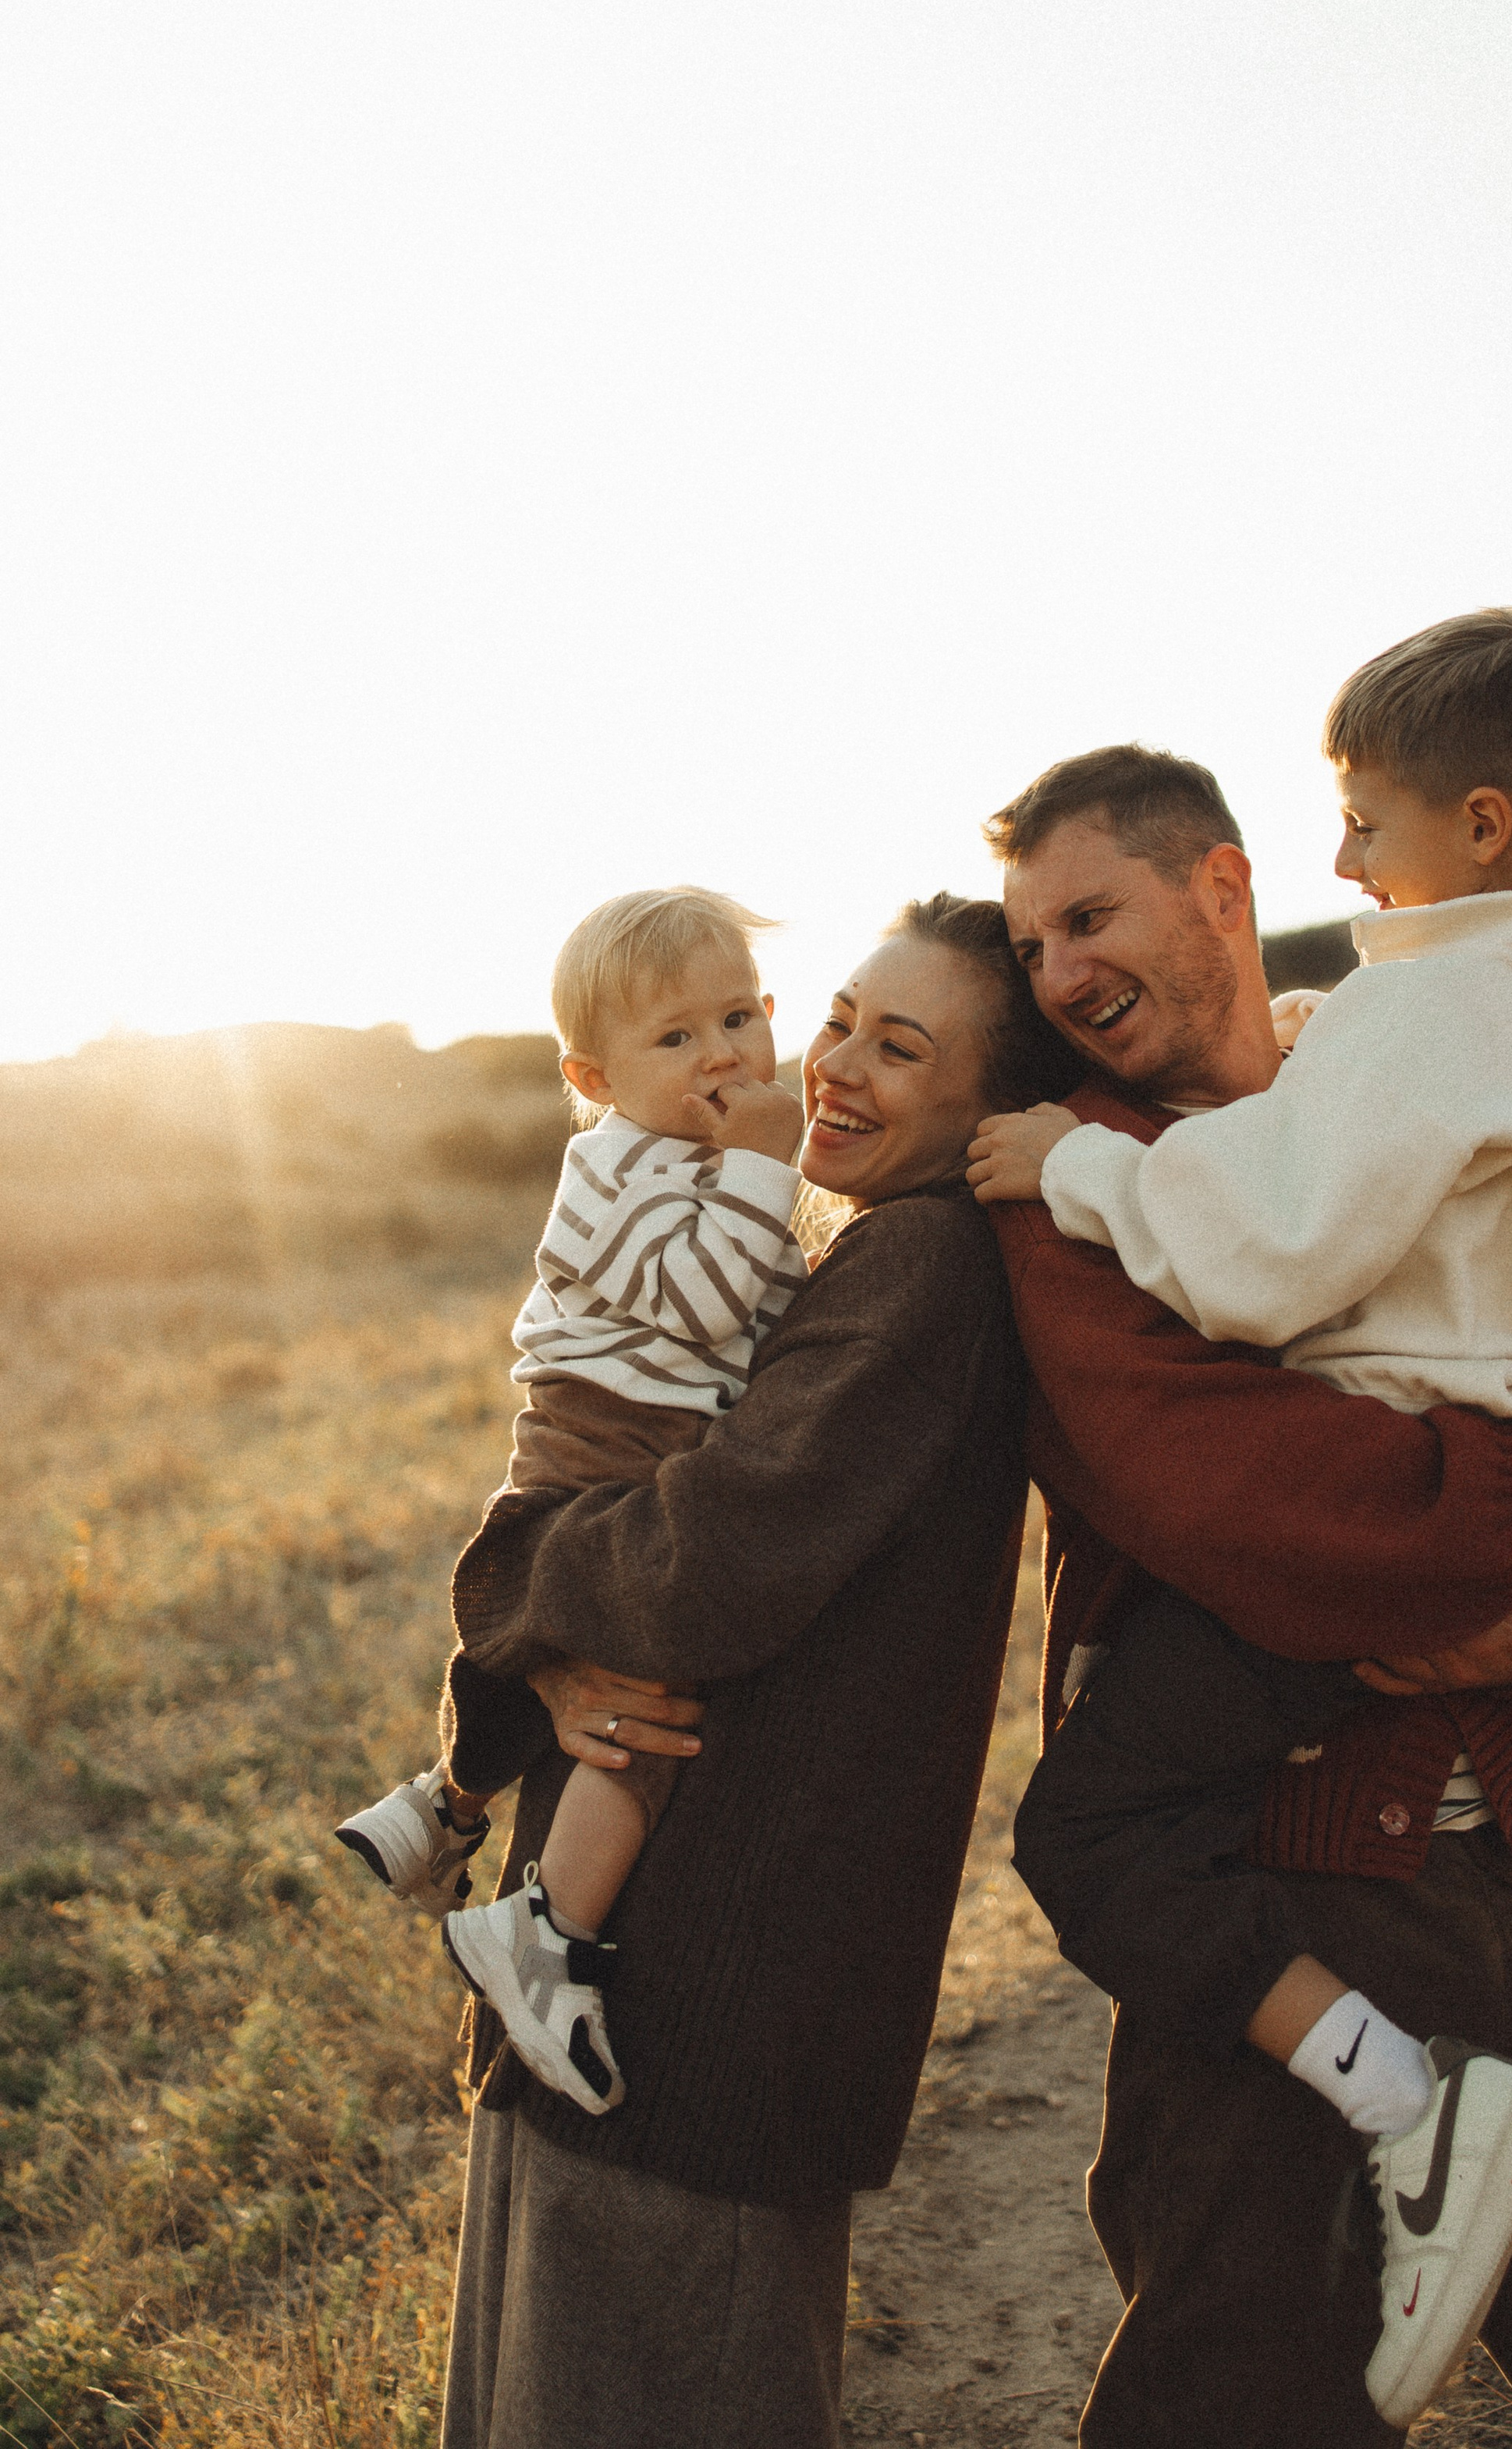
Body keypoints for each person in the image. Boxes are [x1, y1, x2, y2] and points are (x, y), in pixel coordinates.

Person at [971, 613, 1512, 2427]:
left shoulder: (1399, 1056)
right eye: (1030, 947)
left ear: (1222, 886)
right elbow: (1264, 1522)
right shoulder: (1067, 1197)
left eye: (1089, 918)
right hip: (1291, 1872)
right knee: (1245, 2393)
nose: (1062, 974)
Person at [433, 894, 1083, 2449]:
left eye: (901, 1048)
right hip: (654, 1967)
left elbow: (697, 1565)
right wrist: (547, 1660)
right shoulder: (844, 1245)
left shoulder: (917, 1267)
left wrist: (518, 1588)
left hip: (704, 1998)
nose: (833, 1068)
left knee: (640, 2389)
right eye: (839, 1020)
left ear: (986, 1107)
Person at [337, 887, 812, 2110]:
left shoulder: (704, 1161)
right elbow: (709, 1303)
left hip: (643, 1439)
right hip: (606, 1440)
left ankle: (440, 1810)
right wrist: (768, 1166)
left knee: (609, 1672)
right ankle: (546, 1932)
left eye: (742, 1015)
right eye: (676, 1037)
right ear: (593, 1077)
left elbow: (765, 1305)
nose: (725, 1053)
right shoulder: (614, 1170)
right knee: (646, 1691)